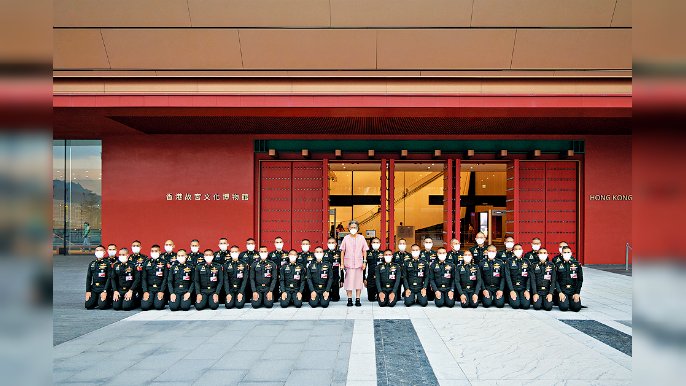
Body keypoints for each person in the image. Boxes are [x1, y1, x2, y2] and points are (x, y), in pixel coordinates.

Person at [340, 220, 368, 307]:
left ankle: (358, 299)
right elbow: (342, 251)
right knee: (349, 282)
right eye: (351, 227)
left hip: (359, 264)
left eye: (354, 227)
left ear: (357, 228)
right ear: (349, 228)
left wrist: (364, 262)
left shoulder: (361, 238)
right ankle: (349, 299)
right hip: (348, 264)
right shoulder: (346, 238)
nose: (353, 229)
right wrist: (342, 263)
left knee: (358, 282)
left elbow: (364, 251)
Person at [140, 244, 168, 311]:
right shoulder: (146, 262)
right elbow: (144, 278)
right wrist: (145, 291)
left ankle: (155, 301)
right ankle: (151, 300)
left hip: (159, 288)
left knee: (158, 306)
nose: (154, 252)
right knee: (144, 307)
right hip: (150, 289)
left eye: (156, 251)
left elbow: (165, 278)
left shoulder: (164, 262)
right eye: (152, 251)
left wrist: (162, 291)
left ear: (160, 252)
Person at [555, 246, 583, 312]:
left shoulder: (577, 264)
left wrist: (577, 293)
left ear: (571, 253)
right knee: (564, 308)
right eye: (565, 252)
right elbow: (555, 280)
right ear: (561, 253)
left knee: (577, 308)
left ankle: (571, 302)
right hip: (563, 291)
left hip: (573, 291)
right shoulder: (557, 265)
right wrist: (560, 292)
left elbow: (580, 280)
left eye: (568, 252)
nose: (566, 253)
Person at [505, 243, 532, 309]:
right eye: (516, 249)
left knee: (526, 306)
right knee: (515, 305)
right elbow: (507, 277)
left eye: (519, 249)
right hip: (513, 288)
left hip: (523, 288)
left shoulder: (526, 261)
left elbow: (529, 277)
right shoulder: (509, 261)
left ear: (522, 250)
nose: (518, 250)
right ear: (513, 251)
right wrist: (511, 290)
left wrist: (527, 290)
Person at [85, 246, 111, 310]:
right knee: (88, 305)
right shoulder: (92, 263)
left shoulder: (108, 263)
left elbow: (109, 278)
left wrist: (105, 291)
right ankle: (97, 300)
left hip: (103, 288)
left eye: (100, 250)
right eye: (97, 250)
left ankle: (108, 300)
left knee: (102, 306)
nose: (98, 252)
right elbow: (89, 278)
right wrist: (88, 291)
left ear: (104, 252)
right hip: (94, 288)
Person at [364, 237, 383, 302]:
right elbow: (364, 266)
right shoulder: (367, 253)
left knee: (380, 298)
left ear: (380, 243)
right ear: (371, 243)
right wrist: (364, 279)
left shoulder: (383, 253)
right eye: (374, 242)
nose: (375, 244)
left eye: (377, 242)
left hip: (380, 278)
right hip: (371, 278)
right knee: (371, 299)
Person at [270, 236, 289, 301]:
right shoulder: (270, 254)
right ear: (274, 244)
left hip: (285, 276)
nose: (279, 243)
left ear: (283, 243)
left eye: (280, 242)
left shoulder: (287, 254)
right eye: (277, 242)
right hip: (274, 276)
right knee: (274, 298)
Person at [324, 237, 343, 302]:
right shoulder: (324, 253)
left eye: (333, 243)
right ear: (327, 244)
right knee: (326, 298)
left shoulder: (339, 253)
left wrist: (342, 279)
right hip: (325, 276)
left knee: (336, 299)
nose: (331, 244)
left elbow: (342, 267)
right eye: (329, 243)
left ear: (336, 244)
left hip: (335, 276)